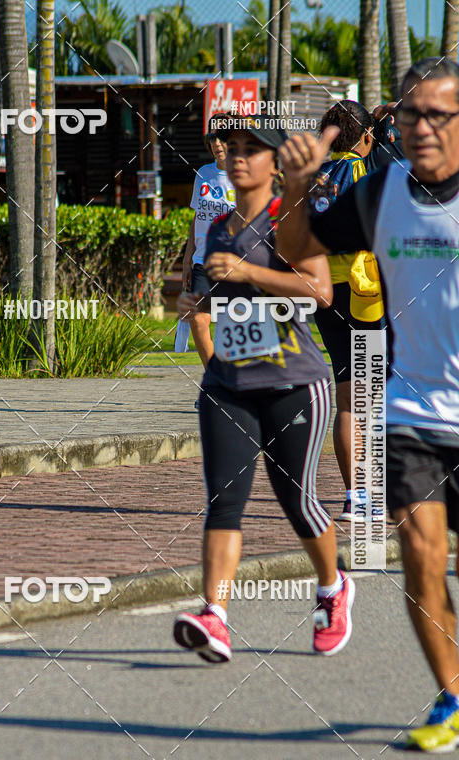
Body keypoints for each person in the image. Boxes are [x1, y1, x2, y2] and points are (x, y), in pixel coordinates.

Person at [277, 57, 459, 752]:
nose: (419, 128)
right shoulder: (382, 193)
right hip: (413, 408)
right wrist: (296, 188)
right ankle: (451, 694)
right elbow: (302, 249)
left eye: (437, 115)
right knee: (418, 549)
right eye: (408, 114)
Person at [172, 116, 356, 662]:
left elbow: (319, 291)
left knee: (297, 501)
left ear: (276, 165)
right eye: (233, 148)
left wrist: (251, 276)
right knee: (224, 503)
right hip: (230, 383)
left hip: (293, 384)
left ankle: (332, 587)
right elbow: (210, 293)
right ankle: (216, 616)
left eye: (253, 150)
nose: (238, 156)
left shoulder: (290, 218)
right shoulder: (221, 227)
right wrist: (193, 305)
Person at [309, 101, 392, 522]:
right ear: (364, 136)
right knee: (372, 398)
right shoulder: (365, 173)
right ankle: (376, 492)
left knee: (346, 396)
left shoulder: (315, 177)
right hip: (365, 292)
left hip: (324, 291)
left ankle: (354, 497)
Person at [175, 127, 236, 369]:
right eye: (213, 140)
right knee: (198, 320)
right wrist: (187, 260)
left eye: (222, 139)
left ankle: (233, 386)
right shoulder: (203, 173)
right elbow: (197, 218)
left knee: (231, 327)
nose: (217, 144)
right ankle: (215, 379)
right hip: (202, 261)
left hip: (234, 262)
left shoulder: (243, 174)